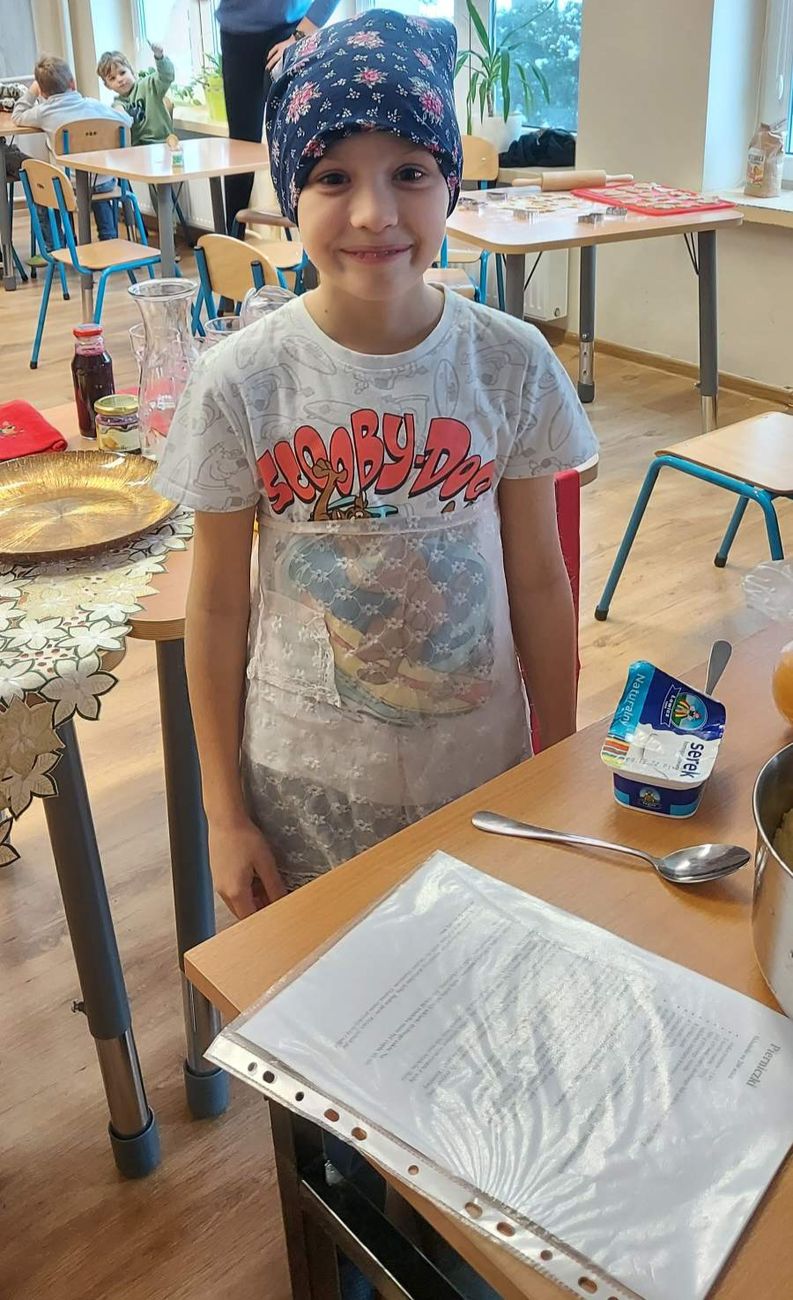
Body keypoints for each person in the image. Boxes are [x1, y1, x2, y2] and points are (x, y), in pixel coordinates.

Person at [156, 12, 597, 1295]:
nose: (373, 212)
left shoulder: (507, 363)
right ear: (287, 193)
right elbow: (217, 611)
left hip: (477, 776)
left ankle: (438, 1212)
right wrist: (225, 812)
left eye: (408, 170)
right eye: (333, 176)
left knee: (465, 1020)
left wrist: (560, 766)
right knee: (331, 1039)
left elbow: (537, 578)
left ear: (450, 179)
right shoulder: (246, 380)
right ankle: (347, 1235)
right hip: (305, 792)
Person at [215, 0, 341, 232]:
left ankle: (312, 243)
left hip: (291, 32)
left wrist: (299, 35)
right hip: (237, 36)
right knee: (241, 148)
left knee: (298, 144)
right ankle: (229, 244)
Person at [11, 55, 130, 243]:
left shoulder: (44, 112)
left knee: (42, 188)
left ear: (42, 92)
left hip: (68, 185)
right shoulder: (93, 105)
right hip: (104, 182)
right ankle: (109, 237)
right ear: (72, 83)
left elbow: (17, 116)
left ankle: (56, 245)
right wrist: (120, 110)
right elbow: (127, 122)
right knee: (96, 180)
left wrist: (32, 91)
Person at [97, 43, 174, 146]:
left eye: (122, 73)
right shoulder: (118, 103)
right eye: (112, 78)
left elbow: (166, 76)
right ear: (107, 86)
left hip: (161, 143)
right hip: (137, 148)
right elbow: (119, 112)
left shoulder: (149, 85)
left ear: (131, 71)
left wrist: (160, 57)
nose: (119, 79)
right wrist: (118, 114)